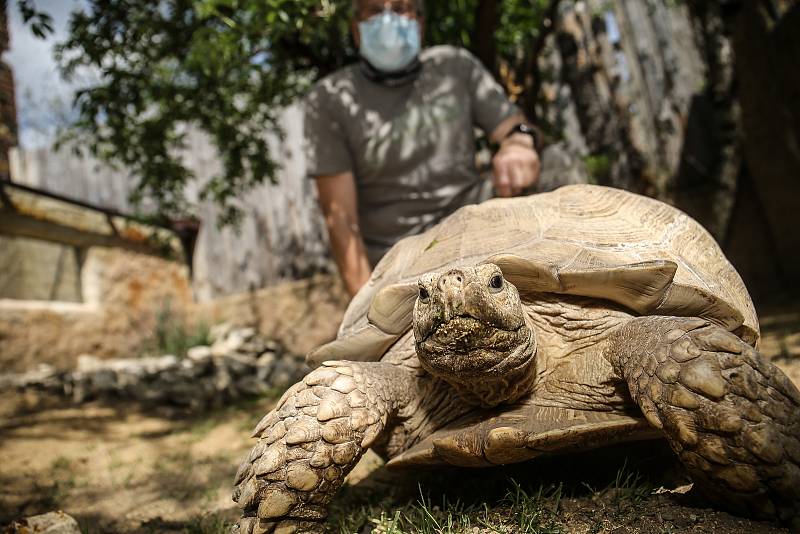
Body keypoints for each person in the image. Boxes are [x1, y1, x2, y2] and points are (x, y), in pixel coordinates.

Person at [304, 0, 541, 297]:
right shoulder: (330, 99)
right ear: (356, 29)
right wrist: (365, 314)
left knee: (557, 164)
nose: (389, 20)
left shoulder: (454, 66)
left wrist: (519, 144)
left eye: (401, 7)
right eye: (375, 10)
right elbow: (341, 222)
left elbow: (514, 127)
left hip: (476, 228)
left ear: (419, 22)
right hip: (401, 263)